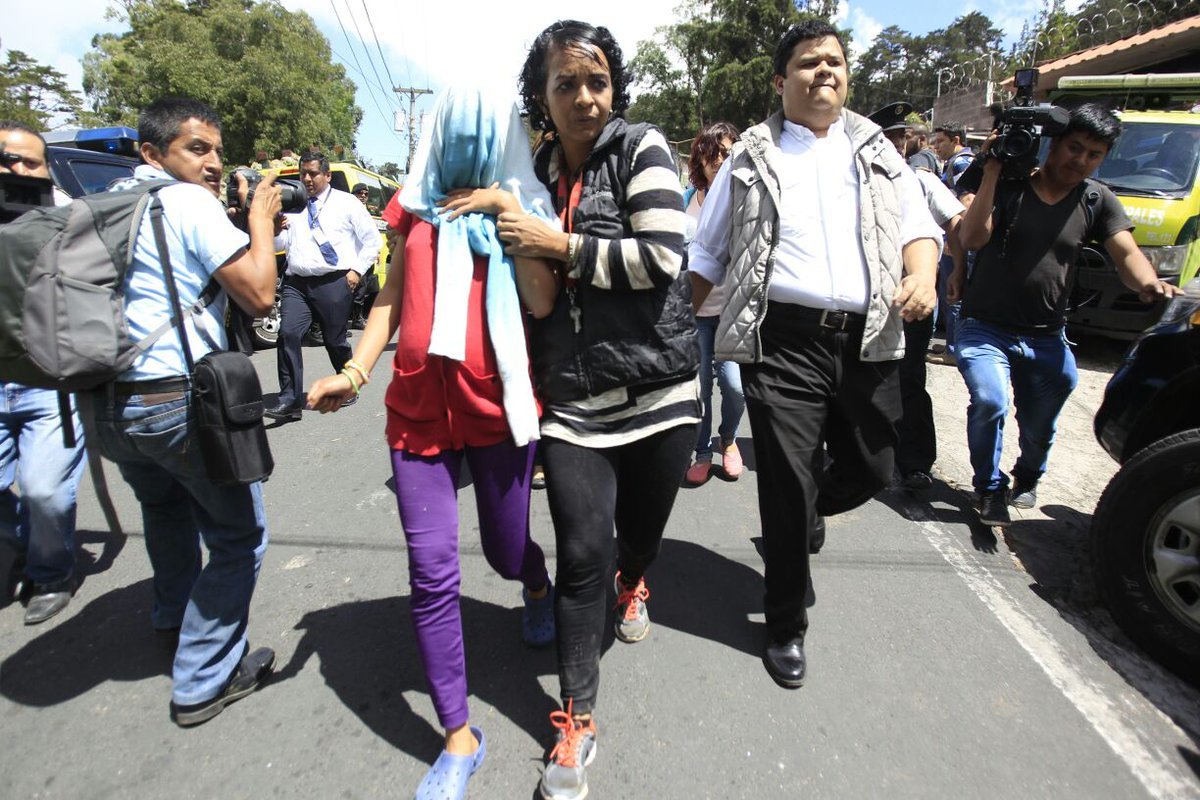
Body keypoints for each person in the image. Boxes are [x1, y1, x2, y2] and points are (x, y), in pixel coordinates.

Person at [464, 20, 696, 800]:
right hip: (572, 404)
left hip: (660, 395)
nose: (585, 97)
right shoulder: (531, 169)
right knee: (582, 554)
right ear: (544, 96)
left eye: (596, 81)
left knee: (639, 540)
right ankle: (576, 720)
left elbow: (663, 256)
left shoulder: (642, 149)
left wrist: (556, 243)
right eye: (566, 83)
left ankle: (639, 579)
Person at [307, 88, 558, 800]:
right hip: (417, 412)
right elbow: (391, 294)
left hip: (495, 407)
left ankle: (535, 583)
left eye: (479, 136)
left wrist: (507, 214)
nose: (465, 147)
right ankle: (459, 735)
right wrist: (355, 370)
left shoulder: (523, 207)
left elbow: (540, 303)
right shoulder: (410, 206)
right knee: (432, 572)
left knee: (507, 551)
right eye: (457, 132)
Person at [689, 20, 939, 692]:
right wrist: (671, 325)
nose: (823, 70)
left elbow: (919, 230)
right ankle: (784, 623)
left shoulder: (879, 151)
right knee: (784, 477)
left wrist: (923, 274)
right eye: (807, 62)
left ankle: (808, 512)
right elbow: (708, 253)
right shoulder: (751, 156)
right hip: (784, 339)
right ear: (782, 80)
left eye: (834, 61)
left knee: (875, 462)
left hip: (869, 336)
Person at [76, 97, 282, 726]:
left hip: (105, 406)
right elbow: (260, 292)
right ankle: (202, 677)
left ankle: (172, 614)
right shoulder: (184, 202)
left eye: (217, 150)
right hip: (173, 402)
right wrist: (261, 220)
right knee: (239, 537)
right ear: (152, 153)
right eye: (198, 148)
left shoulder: (102, 205)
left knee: (163, 509)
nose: (215, 162)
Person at [954, 103, 1180, 526]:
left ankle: (1027, 475)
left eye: (1094, 154)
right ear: (1052, 143)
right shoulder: (1010, 185)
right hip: (985, 327)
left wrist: (1149, 283)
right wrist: (990, 172)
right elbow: (970, 236)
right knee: (989, 401)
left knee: (1040, 426)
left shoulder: (1097, 199)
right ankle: (989, 487)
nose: (1081, 160)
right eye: (1074, 148)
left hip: (1046, 336)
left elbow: (1127, 253)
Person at [0, 121, 87, 625]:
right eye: (7, 160)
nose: (16, 171)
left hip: (48, 383)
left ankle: (50, 572)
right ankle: (21, 547)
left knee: (43, 488)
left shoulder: (70, 222)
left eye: (28, 163)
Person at [868, 103, 967, 493]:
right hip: (870, 302)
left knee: (910, 378)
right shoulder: (856, 183)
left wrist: (957, 268)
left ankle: (915, 464)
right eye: (886, 138)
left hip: (914, 302)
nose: (894, 145)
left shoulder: (923, 183)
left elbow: (957, 223)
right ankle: (855, 450)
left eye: (899, 138)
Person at [265, 152, 380, 420]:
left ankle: (347, 384)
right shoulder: (291, 204)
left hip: (334, 282)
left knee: (335, 340)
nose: (307, 178)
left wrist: (356, 272)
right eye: (303, 173)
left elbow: (372, 240)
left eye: (313, 173)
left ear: (327, 176)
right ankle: (290, 400)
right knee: (288, 334)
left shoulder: (347, 203)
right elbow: (278, 245)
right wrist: (272, 229)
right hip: (297, 283)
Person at [683, 120, 746, 486]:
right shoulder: (685, 201)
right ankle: (704, 451)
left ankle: (729, 438)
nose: (721, 159)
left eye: (728, 152)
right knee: (700, 386)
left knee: (736, 388)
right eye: (714, 153)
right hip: (696, 315)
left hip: (733, 313)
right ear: (700, 159)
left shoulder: (748, 198)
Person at [930, 120, 976, 365]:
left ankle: (954, 351)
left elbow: (967, 203)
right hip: (956, 240)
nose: (936, 147)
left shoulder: (961, 163)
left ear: (955, 140)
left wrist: (955, 238)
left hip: (957, 242)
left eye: (940, 141)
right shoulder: (957, 162)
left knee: (953, 294)